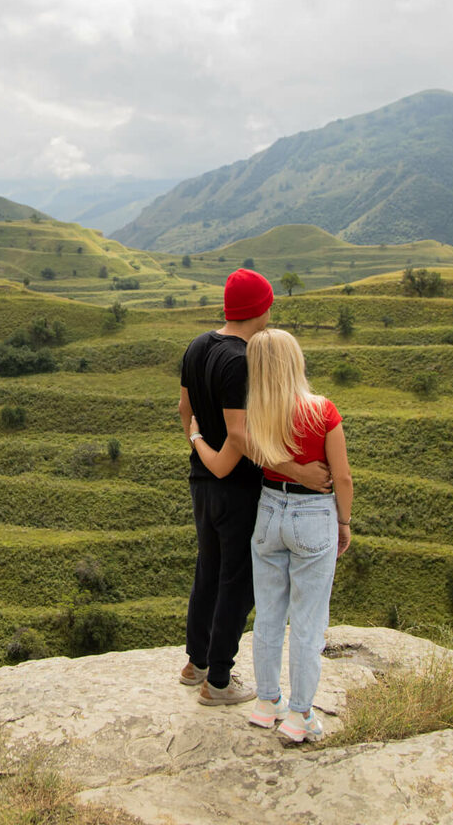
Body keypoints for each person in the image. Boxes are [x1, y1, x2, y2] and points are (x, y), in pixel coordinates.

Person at [176, 269, 331, 706]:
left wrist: (199, 447)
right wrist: (298, 472)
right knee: (237, 581)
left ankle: (196, 664)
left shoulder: (198, 346)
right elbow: (240, 435)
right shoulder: (243, 360)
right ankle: (220, 682)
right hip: (237, 486)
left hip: (202, 480)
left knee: (208, 569)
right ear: (260, 309)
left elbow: (185, 410)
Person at [191, 327, 352, 742]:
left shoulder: (255, 416)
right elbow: (343, 477)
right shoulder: (323, 410)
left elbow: (240, 454)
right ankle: (300, 716)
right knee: (307, 622)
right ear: (295, 361)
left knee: (267, 615)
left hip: (268, 513)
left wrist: (193, 435)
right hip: (312, 514)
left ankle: (266, 703)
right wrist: (344, 521)